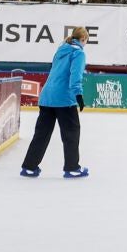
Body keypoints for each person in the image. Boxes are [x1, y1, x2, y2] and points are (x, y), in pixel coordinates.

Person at [22, 27, 88, 178]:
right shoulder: (78, 53)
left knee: (41, 135)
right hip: (64, 99)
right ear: (83, 39)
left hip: (46, 97)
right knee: (71, 133)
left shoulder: (61, 50)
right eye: (86, 41)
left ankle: (29, 167)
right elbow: (75, 75)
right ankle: (72, 168)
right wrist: (78, 95)